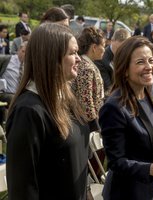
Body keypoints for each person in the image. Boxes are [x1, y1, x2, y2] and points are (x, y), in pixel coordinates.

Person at [6, 23, 90, 200]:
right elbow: (23, 187)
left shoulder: (65, 98)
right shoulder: (28, 111)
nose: (79, 58)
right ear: (52, 57)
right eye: (73, 53)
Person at [99, 36, 153, 200]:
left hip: (148, 189)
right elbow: (116, 162)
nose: (149, 67)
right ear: (124, 69)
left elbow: (150, 139)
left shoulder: (148, 95)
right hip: (125, 193)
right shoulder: (113, 107)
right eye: (140, 62)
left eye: (151, 60)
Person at [72, 27, 105, 132]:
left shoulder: (86, 64)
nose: (105, 49)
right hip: (85, 127)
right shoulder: (86, 68)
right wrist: (96, 127)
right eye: (103, 45)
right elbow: (86, 101)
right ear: (94, 47)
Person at [94, 28, 131, 96]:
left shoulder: (129, 56)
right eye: (118, 49)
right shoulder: (101, 59)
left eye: (124, 49)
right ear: (112, 41)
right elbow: (108, 87)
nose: (121, 52)